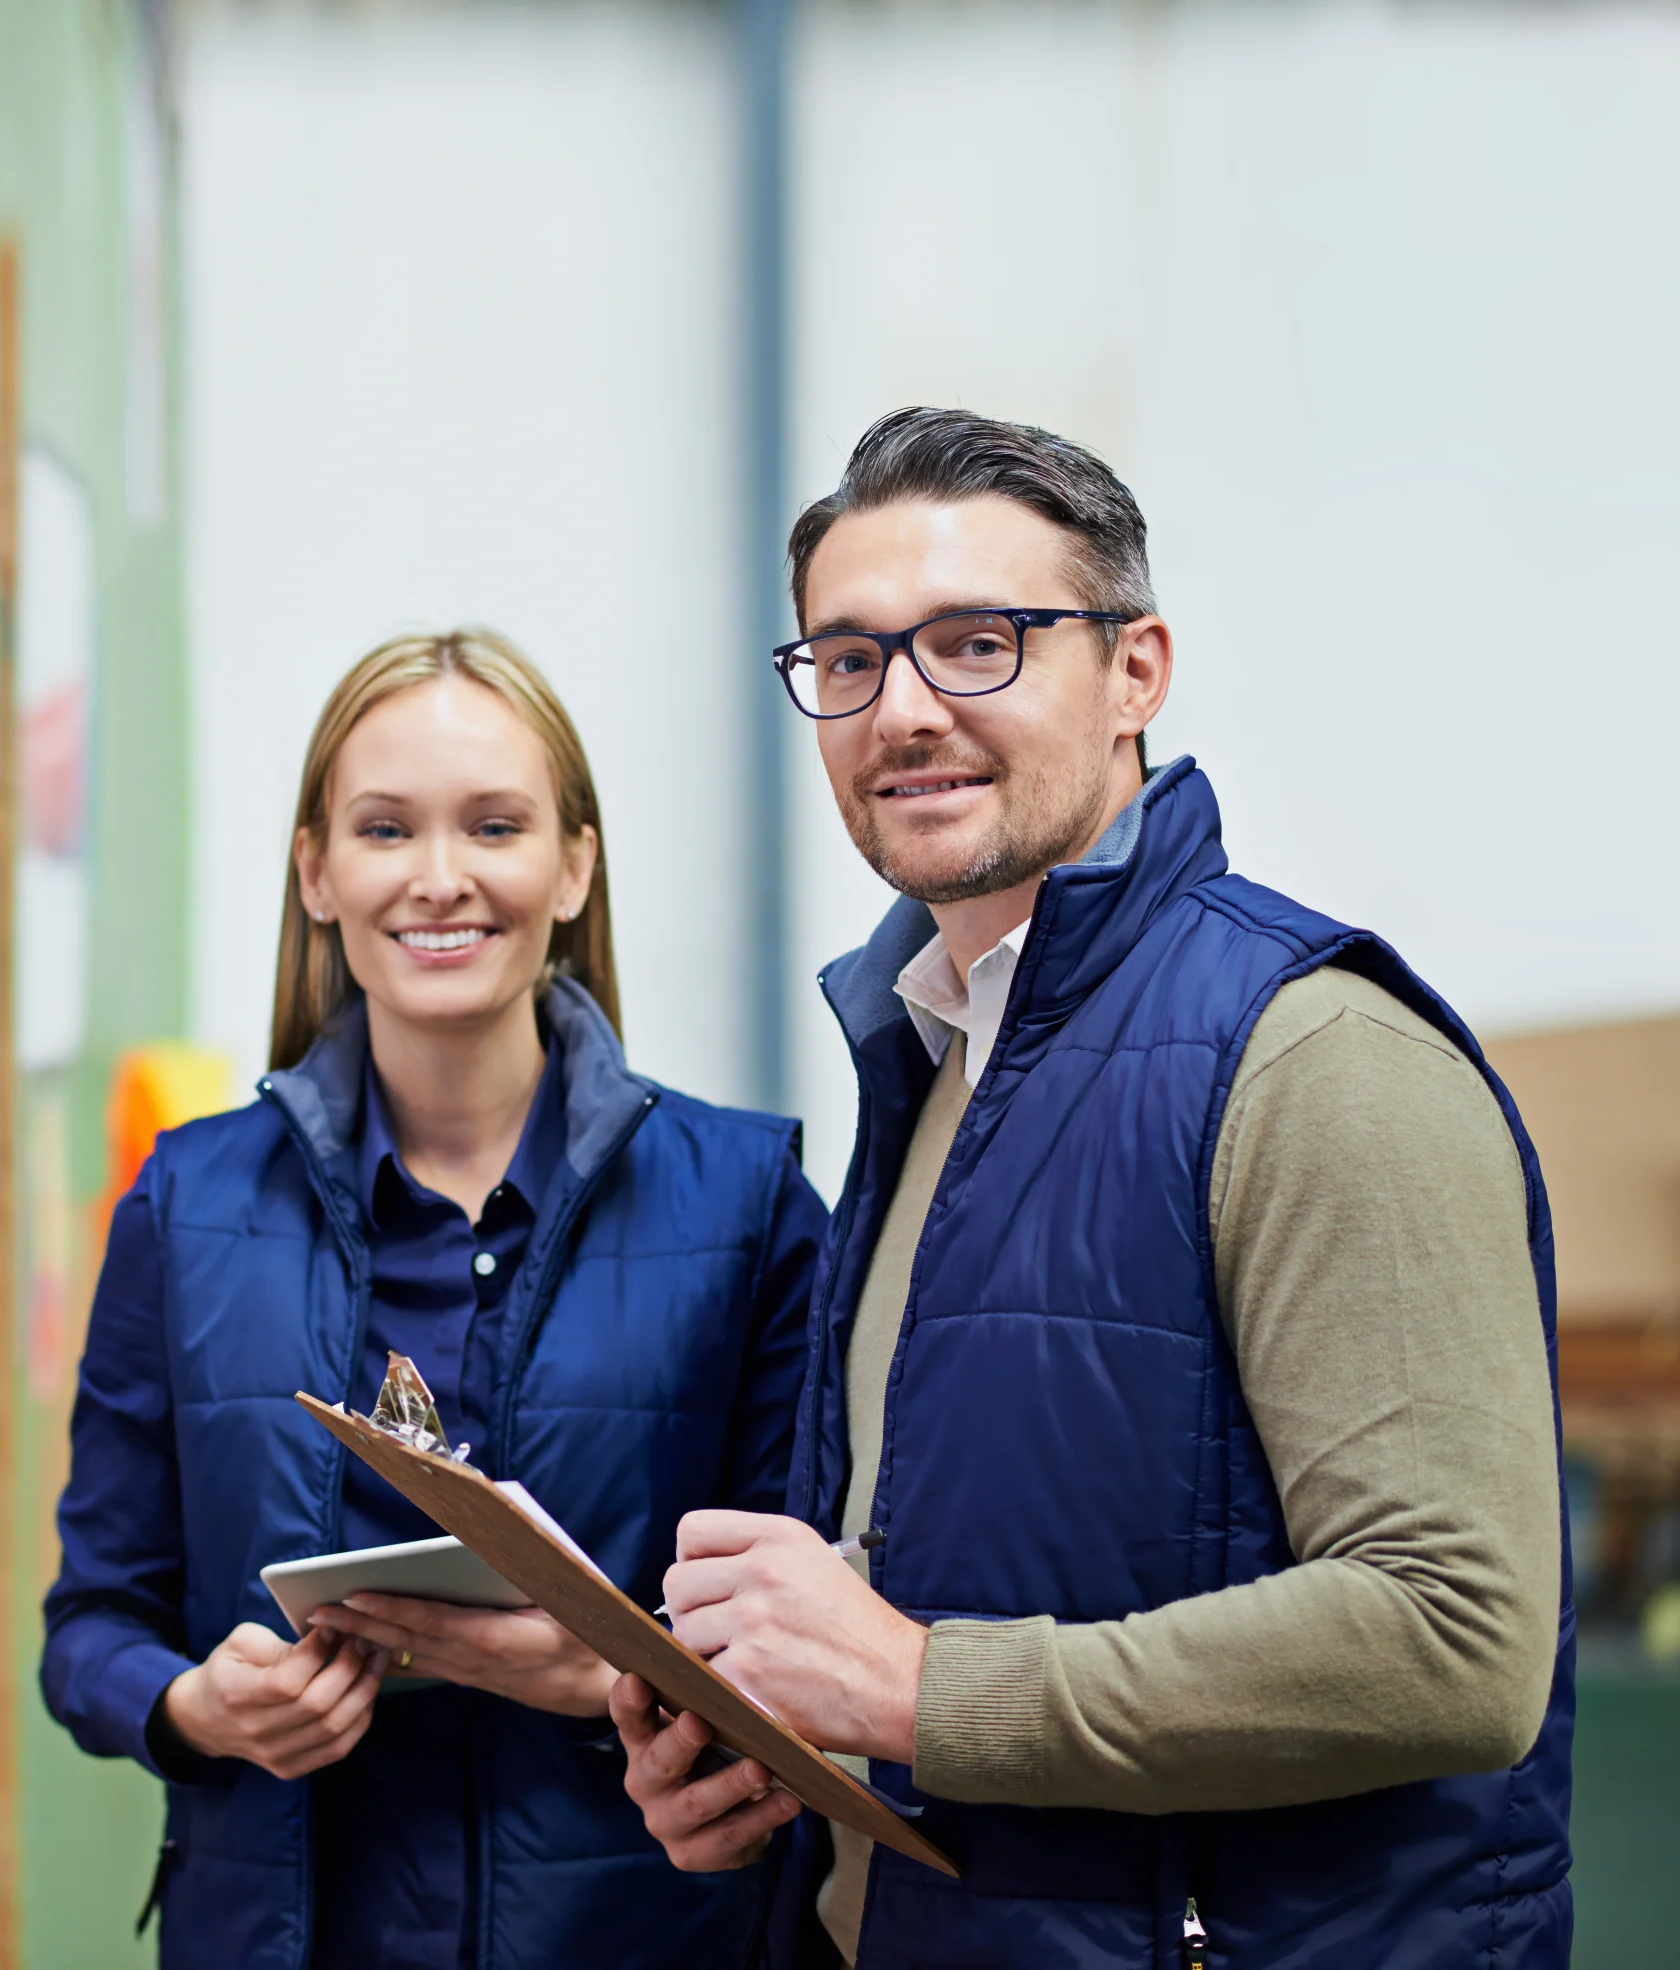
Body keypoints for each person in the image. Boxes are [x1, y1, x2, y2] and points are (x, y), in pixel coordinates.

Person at [615, 409, 1569, 1967]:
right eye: (847, 660)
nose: (902, 710)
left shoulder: (1315, 1051)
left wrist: (914, 1691)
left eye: (978, 642)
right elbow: (979, 1559)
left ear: (1137, 670)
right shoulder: (932, 1054)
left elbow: (1453, 1639)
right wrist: (766, 1717)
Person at [43, 630, 827, 1970]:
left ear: (572, 865)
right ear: (318, 872)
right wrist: (193, 1704)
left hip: (643, 1935)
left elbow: (816, 1640)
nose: (441, 876)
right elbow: (91, 1624)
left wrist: (603, 1676)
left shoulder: (746, 1205)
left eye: (496, 824)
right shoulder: (185, 1205)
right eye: (387, 827)